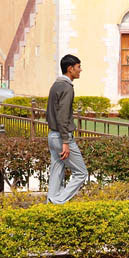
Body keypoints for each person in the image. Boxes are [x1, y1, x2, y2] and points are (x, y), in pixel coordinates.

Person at [46, 54, 89, 204]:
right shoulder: (67, 87)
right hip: (62, 137)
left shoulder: (56, 84)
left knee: (57, 171)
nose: (80, 70)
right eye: (78, 67)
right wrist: (65, 141)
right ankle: (57, 201)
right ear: (70, 69)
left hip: (52, 135)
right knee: (81, 173)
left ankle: (50, 206)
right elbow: (63, 116)